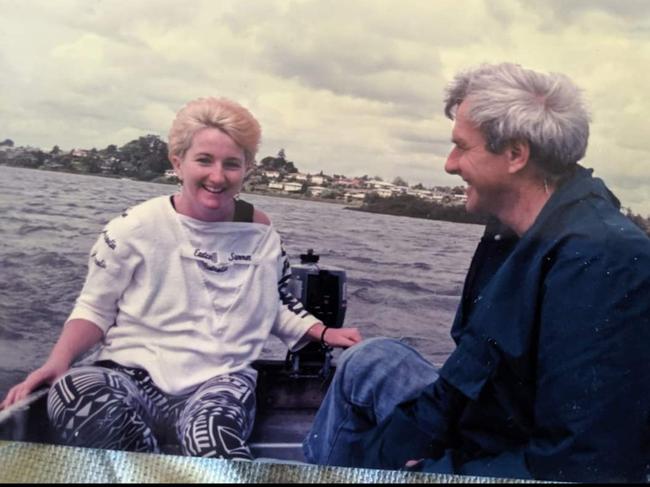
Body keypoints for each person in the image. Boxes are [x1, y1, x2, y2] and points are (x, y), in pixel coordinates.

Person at [303, 63, 650, 482]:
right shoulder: (510, 236)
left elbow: (582, 465)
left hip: (527, 463)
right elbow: (463, 379)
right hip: (490, 428)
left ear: (515, 155)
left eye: (461, 147)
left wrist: (432, 473)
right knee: (370, 361)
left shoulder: (603, 261)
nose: (449, 165)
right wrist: (376, 458)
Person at [1, 96, 361, 460]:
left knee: (213, 436)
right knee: (72, 390)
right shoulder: (134, 226)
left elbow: (276, 300)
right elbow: (95, 308)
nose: (217, 176)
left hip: (220, 380)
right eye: (204, 160)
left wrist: (325, 333)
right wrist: (57, 361)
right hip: (131, 375)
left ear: (247, 169)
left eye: (231, 164)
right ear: (178, 162)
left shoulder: (261, 230)